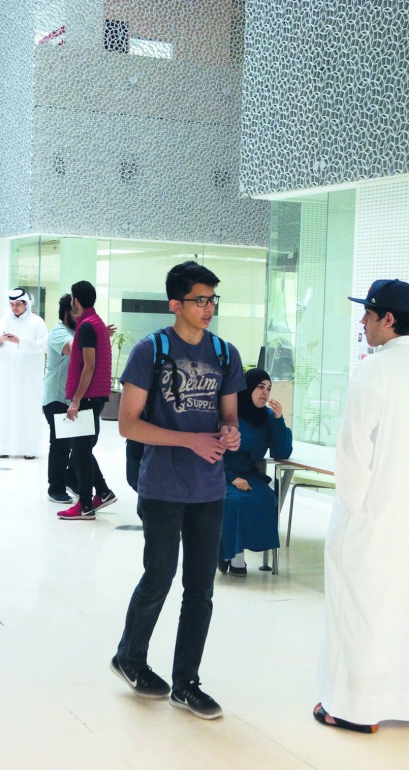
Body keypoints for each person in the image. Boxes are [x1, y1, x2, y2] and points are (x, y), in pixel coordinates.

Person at [315, 278, 409, 734]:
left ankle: (352, 708)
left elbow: (352, 448)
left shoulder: (375, 371)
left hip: (373, 516)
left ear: (389, 320)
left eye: (368, 314)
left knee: (358, 608)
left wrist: (352, 513)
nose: (362, 322)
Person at [112, 260, 244, 720]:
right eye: (199, 300)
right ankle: (130, 657)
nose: (208, 308)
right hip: (164, 487)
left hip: (209, 489)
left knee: (200, 589)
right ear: (176, 304)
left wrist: (230, 435)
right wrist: (190, 439)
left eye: (212, 300)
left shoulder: (225, 354)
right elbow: (129, 424)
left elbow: (229, 417)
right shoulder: (151, 351)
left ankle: (187, 683)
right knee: (159, 577)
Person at [218, 368, 292, 576]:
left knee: (267, 498)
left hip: (250, 474)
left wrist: (279, 420)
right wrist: (232, 478)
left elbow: (282, 452)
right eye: (260, 387)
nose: (265, 393)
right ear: (247, 387)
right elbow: (214, 452)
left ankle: (232, 554)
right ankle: (232, 555)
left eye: (268, 388)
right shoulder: (229, 413)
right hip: (221, 473)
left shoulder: (267, 417)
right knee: (234, 500)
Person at [58, 280, 118, 520]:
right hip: (96, 397)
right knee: (83, 450)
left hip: (88, 398)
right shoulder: (96, 323)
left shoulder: (86, 327)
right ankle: (102, 492)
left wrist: (76, 400)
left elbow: (89, 366)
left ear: (76, 301)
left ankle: (84, 504)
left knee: (81, 451)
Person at [0, 288, 48, 459]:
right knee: (4, 408)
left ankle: (29, 448)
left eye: (17, 305)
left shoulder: (37, 322)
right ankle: (3, 447)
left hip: (28, 377)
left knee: (27, 409)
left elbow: (43, 345)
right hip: (6, 374)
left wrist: (20, 341)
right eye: (11, 304)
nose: (14, 308)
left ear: (26, 304)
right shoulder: (4, 321)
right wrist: (0, 340)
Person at [43, 294, 80, 503]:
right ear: (66, 312)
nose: (80, 316)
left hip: (73, 398)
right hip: (55, 396)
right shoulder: (59, 332)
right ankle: (55, 488)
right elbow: (74, 349)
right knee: (61, 443)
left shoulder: (76, 331)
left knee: (84, 441)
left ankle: (70, 478)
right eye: (77, 311)